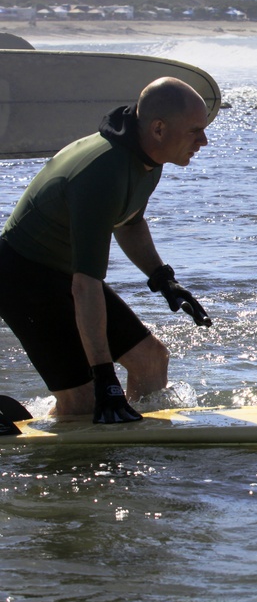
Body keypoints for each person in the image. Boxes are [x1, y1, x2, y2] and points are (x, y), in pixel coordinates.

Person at [0, 77, 213, 423]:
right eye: (195, 131)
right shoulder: (104, 173)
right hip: (22, 277)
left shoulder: (147, 157)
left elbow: (129, 222)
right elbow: (86, 286)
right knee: (84, 401)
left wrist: (162, 278)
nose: (204, 140)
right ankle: (70, 454)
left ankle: (130, 454)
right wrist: (104, 377)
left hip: (63, 271)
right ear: (158, 128)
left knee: (151, 361)